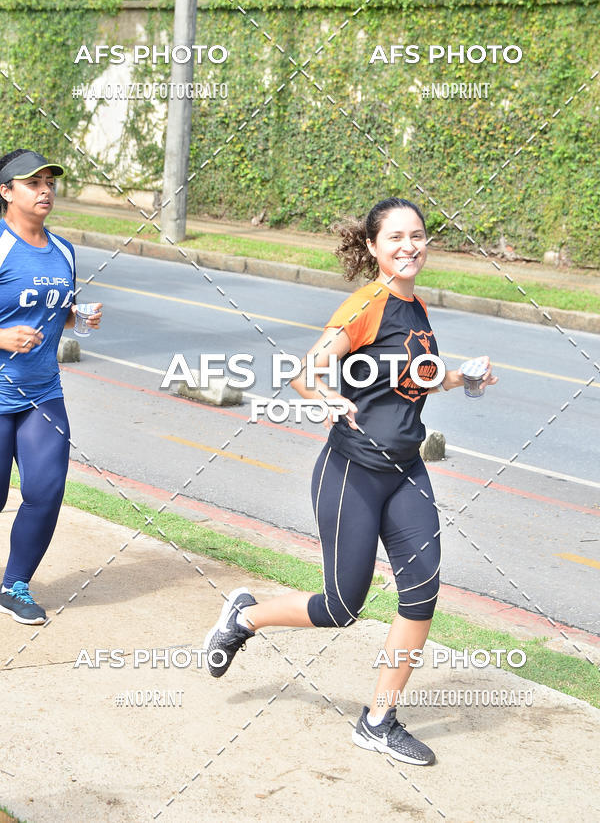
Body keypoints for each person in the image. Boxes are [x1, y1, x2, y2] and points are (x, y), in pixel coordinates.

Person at [203, 197, 497, 765]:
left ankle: (379, 721)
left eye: (418, 236)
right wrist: (327, 397)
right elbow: (303, 373)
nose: (410, 246)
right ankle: (244, 616)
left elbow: (413, 378)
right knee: (341, 607)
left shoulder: (415, 307)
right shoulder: (368, 302)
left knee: (422, 593)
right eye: (396, 238)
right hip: (353, 474)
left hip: (407, 472)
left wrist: (466, 377)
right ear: (373, 247)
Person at [0, 148, 102, 625]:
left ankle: (15, 584)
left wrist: (81, 318)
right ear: (6, 192)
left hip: (42, 393)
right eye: (32, 183)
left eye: (50, 183)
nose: (45, 191)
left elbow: (57, 310)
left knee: (46, 490)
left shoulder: (64, 250)